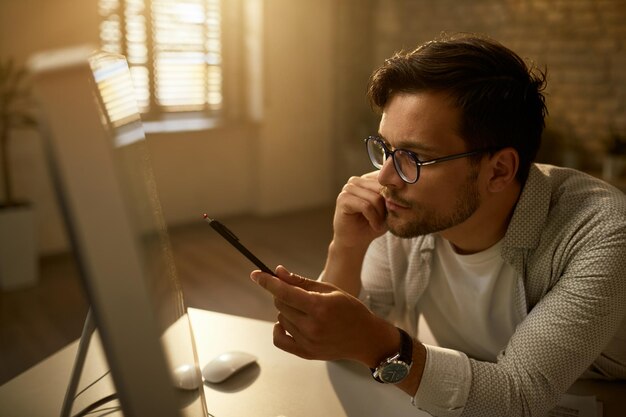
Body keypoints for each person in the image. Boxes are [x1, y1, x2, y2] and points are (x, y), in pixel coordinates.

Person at [250, 33, 626, 417]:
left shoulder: (604, 233)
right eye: (386, 149)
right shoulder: (405, 211)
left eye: (414, 157)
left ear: (498, 171)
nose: (385, 177)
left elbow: (520, 398)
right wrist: (346, 248)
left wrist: (382, 346)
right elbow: (343, 345)